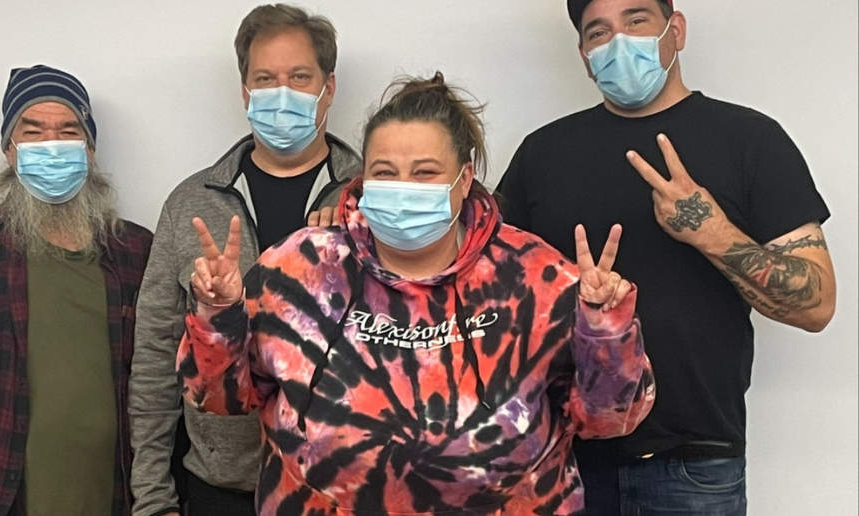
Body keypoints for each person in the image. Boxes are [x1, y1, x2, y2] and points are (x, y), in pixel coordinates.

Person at [177, 73, 655, 515]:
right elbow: (216, 397)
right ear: (362, 180)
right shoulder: (298, 269)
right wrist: (218, 313)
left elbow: (609, 421)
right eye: (385, 172)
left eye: (425, 172)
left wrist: (605, 329)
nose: (403, 188)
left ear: (464, 179)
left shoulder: (537, 276)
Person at [496, 0, 837, 515]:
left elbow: (816, 305)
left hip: (696, 465)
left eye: (637, 21)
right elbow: (477, 283)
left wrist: (711, 232)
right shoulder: (542, 153)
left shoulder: (749, 140)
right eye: (598, 32)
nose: (617, 42)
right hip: (559, 460)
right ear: (582, 53)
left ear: (674, 29)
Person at [129, 3, 362, 516]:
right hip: (220, 487)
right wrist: (152, 498)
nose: (283, 93)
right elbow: (153, 356)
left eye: (300, 76)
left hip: (342, 491)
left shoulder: (373, 198)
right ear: (244, 91)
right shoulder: (191, 203)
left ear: (329, 86)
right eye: (266, 78)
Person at [0, 64, 154, 516]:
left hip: (118, 500)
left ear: (90, 149)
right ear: (10, 149)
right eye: (33, 131)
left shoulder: (135, 250)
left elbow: (160, 392)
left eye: (68, 131)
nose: (52, 146)